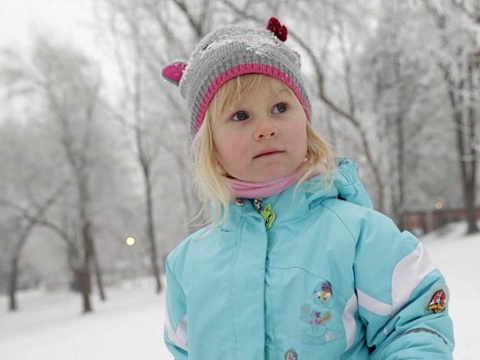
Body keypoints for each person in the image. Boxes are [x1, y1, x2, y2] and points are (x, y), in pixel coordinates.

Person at [161, 16, 454, 359]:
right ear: (208, 144)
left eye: (280, 108)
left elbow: (414, 324)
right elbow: (184, 350)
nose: (266, 128)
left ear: (305, 120)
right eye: (241, 116)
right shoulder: (188, 263)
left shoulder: (358, 234)